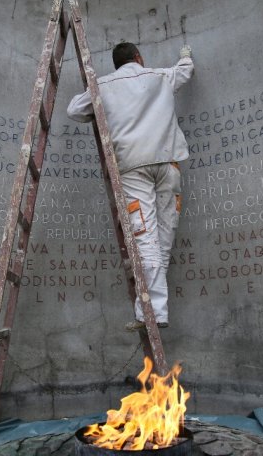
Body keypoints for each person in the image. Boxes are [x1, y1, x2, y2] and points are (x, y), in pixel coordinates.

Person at [67, 42, 194, 331]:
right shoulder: (160, 76)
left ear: (117, 64)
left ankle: (153, 312)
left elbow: (74, 109)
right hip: (168, 163)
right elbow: (185, 71)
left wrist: (97, 113)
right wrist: (184, 54)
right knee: (163, 237)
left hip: (132, 167)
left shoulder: (104, 85)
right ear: (139, 57)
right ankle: (154, 310)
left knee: (144, 237)